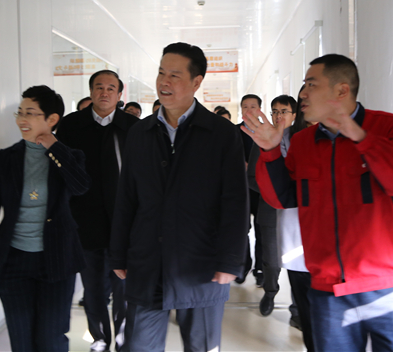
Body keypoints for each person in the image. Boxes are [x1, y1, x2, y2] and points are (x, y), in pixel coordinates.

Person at [243, 54, 393, 352]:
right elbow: (282, 198)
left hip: (390, 286)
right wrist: (271, 152)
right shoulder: (303, 142)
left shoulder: (390, 128)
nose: (303, 94)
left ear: (342, 90)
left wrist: (361, 137)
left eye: (311, 85)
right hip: (328, 286)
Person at [110, 42, 249, 352]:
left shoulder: (221, 134)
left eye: (174, 75)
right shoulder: (140, 133)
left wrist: (230, 259)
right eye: (161, 73)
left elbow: (235, 202)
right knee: (139, 346)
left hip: (201, 266)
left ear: (196, 82)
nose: (164, 81)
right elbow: (127, 198)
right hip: (148, 262)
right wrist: (118, 252)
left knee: (202, 346)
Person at [0, 85, 90, 352]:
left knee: (51, 339)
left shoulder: (71, 156)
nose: (22, 120)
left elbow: (81, 187)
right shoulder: (7, 158)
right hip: (14, 261)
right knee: (21, 341)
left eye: (30, 113)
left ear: (52, 119)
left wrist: (54, 147)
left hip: (57, 260)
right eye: (20, 112)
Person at [57, 70, 138, 352]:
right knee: (93, 289)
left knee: (124, 288)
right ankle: (100, 338)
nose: (105, 93)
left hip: (124, 223)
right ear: (91, 91)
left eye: (110, 88)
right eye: (99, 87)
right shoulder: (71, 125)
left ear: (119, 94)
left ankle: (123, 340)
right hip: (84, 221)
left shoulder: (133, 127)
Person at [246, 95, 297, 318]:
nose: (278, 116)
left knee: (298, 261)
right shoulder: (261, 139)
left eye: (283, 111)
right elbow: (251, 177)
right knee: (271, 259)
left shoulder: (303, 139)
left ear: (294, 115)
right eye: (274, 111)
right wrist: (274, 190)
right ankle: (270, 292)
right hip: (270, 208)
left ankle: (297, 307)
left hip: (298, 212)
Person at [272, 92, 315, 351]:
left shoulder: (344, 136)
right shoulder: (286, 139)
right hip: (294, 223)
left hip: (329, 237)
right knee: (303, 288)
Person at [236, 94, 264, 286]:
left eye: (253, 106)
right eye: (245, 106)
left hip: (262, 189)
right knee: (241, 229)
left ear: (259, 109)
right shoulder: (233, 131)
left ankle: (261, 268)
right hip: (241, 188)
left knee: (262, 229)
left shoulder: (267, 131)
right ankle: (242, 266)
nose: (249, 110)